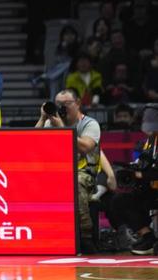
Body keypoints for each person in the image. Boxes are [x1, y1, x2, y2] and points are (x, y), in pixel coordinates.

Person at [36, 89, 101, 253]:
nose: (62, 108)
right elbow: (33, 142)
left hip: (84, 173)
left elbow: (85, 147)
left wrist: (62, 129)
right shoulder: (51, 123)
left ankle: (85, 237)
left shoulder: (89, 124)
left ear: (77, 103)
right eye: (58, 104)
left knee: (75, 183)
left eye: (66, 104)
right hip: (57, 172)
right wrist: (42, 118)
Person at [111, 105, 158, 255]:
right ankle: (148, 237)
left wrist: (141, 175)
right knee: (120, 200)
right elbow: (143, 163)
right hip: (150, 190)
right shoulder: (149, 142)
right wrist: (133, 169)